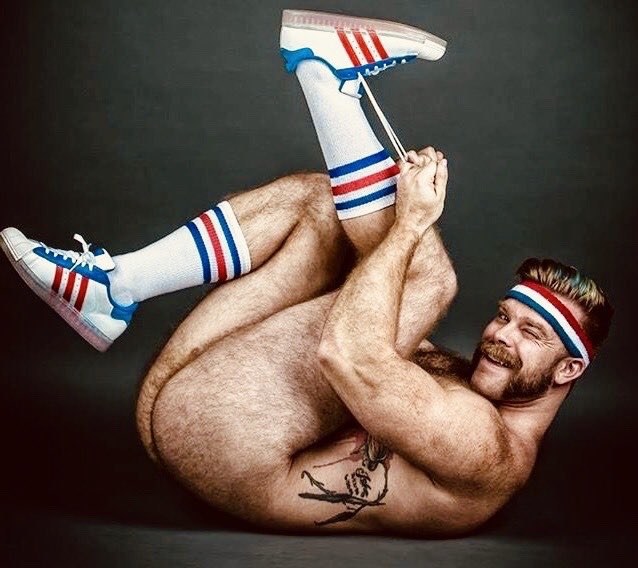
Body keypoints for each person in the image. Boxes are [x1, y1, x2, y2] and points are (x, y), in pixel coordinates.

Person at [0, 10, 612, 536]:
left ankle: (324, 74)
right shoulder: (457, 380)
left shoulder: (491, 451)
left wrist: (408, 226)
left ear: (568, 368)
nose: (499, 335)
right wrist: (381, 229)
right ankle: (115, 289)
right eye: (505, 316)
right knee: (325, 205)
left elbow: (347, 354)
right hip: (197, 420)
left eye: (530, 333)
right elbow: (363, 323)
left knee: (428, 280)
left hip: (236, 451)